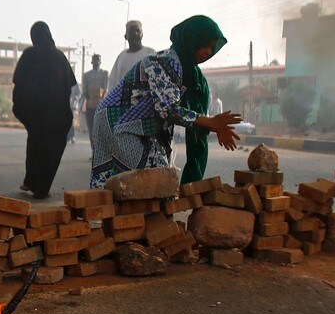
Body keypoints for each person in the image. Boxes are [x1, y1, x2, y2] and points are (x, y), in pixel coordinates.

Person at [91, 15, 242, 188]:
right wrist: (209, 122)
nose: (208, 52)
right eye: (205, 45)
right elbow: (168, 109)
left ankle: (142, 213)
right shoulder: (165, 62)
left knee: (159, 179)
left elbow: (190, 113)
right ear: (192, 39)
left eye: (212, 47)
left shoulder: (194, 77)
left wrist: (211, 126)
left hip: (143, 128)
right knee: (144, 182)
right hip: (117, 122)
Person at [12, 21, 77, 199]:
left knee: (35, 145)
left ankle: (31, 180)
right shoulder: (59, 57)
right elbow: (70, 86)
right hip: (56, 116)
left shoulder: (29, 55)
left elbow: (18, 83)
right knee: (51, 150)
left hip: (34, 115)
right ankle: (41, 187)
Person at [108, 20, 155, 92]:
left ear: (142, 34)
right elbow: (112, 82)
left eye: (138, 31)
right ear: (125, 36)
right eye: (132, 31)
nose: (135, 34)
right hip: (123, 100)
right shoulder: (121, 56)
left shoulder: (150, 53)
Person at [82, 53, 108, 148]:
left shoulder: (104, 73)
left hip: (100, 105)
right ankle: (94, 151)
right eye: (95, 59)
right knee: (91, 130)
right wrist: (90, 98)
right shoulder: (86, 75)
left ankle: (100, 151)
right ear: (91, 61)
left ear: (100, 61)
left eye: (98, 59)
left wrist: (98, 98)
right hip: (90, 106)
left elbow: (104, 88)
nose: (96, 62)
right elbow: (84, 91)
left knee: (100, 130)